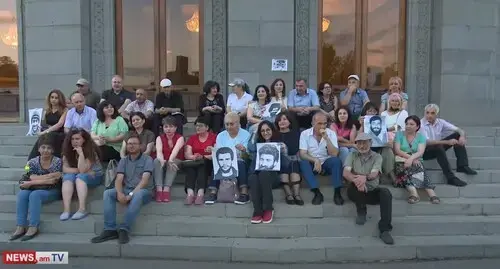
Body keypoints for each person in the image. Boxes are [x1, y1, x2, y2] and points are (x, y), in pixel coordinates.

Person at [91, 135, 154, 245]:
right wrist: (120, 193)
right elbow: (119, 179)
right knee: (108, 193)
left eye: (134, 143)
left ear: (140, 146)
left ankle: (124, 228)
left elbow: (144, 181)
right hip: (126, 189)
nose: (131, 146)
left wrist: (130, 195)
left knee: (138, 195)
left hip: (144, 191)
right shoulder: (123, 160)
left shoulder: (147, 159)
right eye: (129, 144)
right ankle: (110, 229)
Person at [344, 132, 394, 245]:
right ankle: (361, 211)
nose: (362, 146)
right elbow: (346, 173)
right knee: (355, 187)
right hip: (355, 189)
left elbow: (374, 174)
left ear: (370, 143)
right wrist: (358, 181)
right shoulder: (352, 155)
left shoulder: (377, 157)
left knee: (386, 193)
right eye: (359, 143)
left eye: (365, 143)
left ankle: (385, 230)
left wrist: (364, 178)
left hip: (371, 190)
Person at [10, 135, 62, 241]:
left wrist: (31, 182)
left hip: (52, 190)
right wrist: (47, 177)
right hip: (35, 188)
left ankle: (33, 226)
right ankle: (20, 226)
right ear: (38, 149)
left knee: (35, 195)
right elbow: (29, 175)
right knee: (22, 194)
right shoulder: (31, 162)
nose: (46, 150)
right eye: (43, 147)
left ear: (52, 150)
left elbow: (53, 181)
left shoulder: (57, 161)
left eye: (49, 148)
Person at [420, 103, 474, 187]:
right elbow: (427, 142)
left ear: (437, 114)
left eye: (432, 113)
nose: (429, 115)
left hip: (438, 147)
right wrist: (447, 142)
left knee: (457, 135)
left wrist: (462, 137)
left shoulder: (441, 122)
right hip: (424, 151)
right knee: (438, 146)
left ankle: (462, 166)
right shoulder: (421, 124)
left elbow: (459, 130)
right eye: (427, 113)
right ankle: (450, 178)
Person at [205, 112, 251, 205]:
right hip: (225, 161)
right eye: (227, 124)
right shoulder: (221, 135)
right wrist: (213, 150)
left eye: (231, 124)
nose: (229, 127)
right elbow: (219, 152)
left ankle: (244, 193)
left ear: (238, 124)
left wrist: (243, 149)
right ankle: (213, 193)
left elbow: (248, 154)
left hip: (241, 160)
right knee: (217, 163)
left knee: (240, 163)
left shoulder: (246, 134)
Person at [299, 112, 344, 205]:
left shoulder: (331, 133)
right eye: (319, 123)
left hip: (327, 163)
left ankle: (337, 192)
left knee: (336, 161)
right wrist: (315, 160)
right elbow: (302, 154)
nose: (322, 126)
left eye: (324, 123)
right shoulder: (304, 134)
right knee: (303, 162)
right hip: (313, 163)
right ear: (313, 123)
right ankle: (316, 192)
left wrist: (327, 139)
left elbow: (334, 154)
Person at [248, 121, 288, 224]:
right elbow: (251, 151)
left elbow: (286, 165)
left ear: (272, 130)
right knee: (253, 177)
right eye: (262, 131)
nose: (265, 133)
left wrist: (284, 152)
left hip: (273, 178)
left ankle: (268, 208)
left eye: (268, 130)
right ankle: (257, 211)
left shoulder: (280, 143)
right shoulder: (258, 145)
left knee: (264, 173)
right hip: (259, 176)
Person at [393, 115, 440, 204]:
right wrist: (410, 159)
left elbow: (420, 152)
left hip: (416, 159)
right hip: (401, 159)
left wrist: (412, 159)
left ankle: (431, 194)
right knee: (404, 169)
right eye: (407, 124)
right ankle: (414, 193)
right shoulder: (399, 134)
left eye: (411, 124)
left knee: (418, 167)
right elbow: (398, 150)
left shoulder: (421, 137)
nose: (408, 126)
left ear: (417, 127)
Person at [60, 129, 103, 221]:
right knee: (67, 177)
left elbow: (82, 169)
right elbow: (64, 169)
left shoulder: (91, 150)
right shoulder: (68, 149)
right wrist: (79, 171)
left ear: (84, 139)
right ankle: (66, 210)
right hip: (81, 174)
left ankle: (82, 209)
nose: (75, 141)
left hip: (95, 176)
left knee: (80, 177)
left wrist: (81, 154)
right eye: (72, 139)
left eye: (77, 139)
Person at [359, 103, 396, 183]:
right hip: (367, 149)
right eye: (370, 111)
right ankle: (380, 175)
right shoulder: (361, 122)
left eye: (374, 111)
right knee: (376, 155)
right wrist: (362, 125)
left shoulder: (380, 123)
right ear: (365, 112)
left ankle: (392, 174)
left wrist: (387, 142)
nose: (372, 113)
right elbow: (358, 138)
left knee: (388, 150)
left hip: (380, 149)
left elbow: (385, 138)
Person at [183, 116, 216, 205]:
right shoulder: (192, 138)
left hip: (208, 162)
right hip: (195, 161)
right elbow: (187, 154)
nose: (198, 128)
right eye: (196, 126)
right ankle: (190, 194)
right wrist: (194, 157)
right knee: (191, 167)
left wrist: (207, 155)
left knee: (202, 165)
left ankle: (200, 193)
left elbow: (217, 153)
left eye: (200, 126)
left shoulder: (214, 137)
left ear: (207, 127)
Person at [28, 89, 68, 159]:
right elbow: (43, 123)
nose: (53, 99)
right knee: (41, 140)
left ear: (60, 99)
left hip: (59, 134)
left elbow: (60, 124)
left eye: (56, 98)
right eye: (52, 97)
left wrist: (45, 131)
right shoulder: (47, 110)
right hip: (47, 133)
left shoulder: (65, 110)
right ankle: (30, 164)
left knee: (46, 136)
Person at [153, 116, 185, 203]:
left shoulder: (180, 138)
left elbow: (175, 151)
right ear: (163, 128)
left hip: (176, 159)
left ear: (175, 128)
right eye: (166, 127)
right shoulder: (159, 138)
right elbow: (159, 151)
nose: (168, 129)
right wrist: (162, 160)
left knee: (172, 162)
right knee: (156, 161)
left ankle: (166, 189)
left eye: (171, 126)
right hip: (164, 159)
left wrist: (170, 160)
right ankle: (159, 189)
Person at [276, 112, 303, 205]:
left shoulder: (296, 133)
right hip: (279, 161)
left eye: (284, 119)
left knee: (292, 162)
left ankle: (296, 194)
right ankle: (288, 194)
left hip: (293, 158)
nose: (282, 122)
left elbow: (294, 149)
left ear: (290, 121)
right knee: (284, 163)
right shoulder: (274, 135)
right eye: (279, 120)